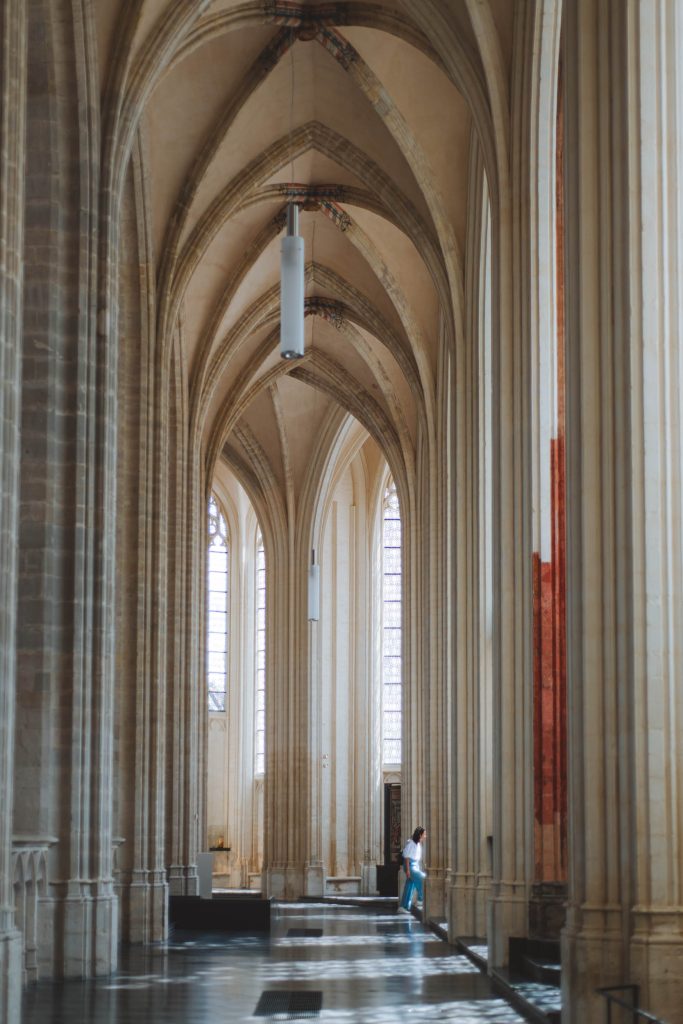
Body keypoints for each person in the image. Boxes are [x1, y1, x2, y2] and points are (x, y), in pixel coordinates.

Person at [397, 826, 427, 914]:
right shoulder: (411, 843)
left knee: (410, 886)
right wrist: (408, 871)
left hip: (414, 865)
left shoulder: (417, 844)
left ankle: (404, 906)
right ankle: (420, 899)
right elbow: (406, 858)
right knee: (423, 877)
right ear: (420, 834)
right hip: (410, 866)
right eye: (424, 834)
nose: (425, 836)